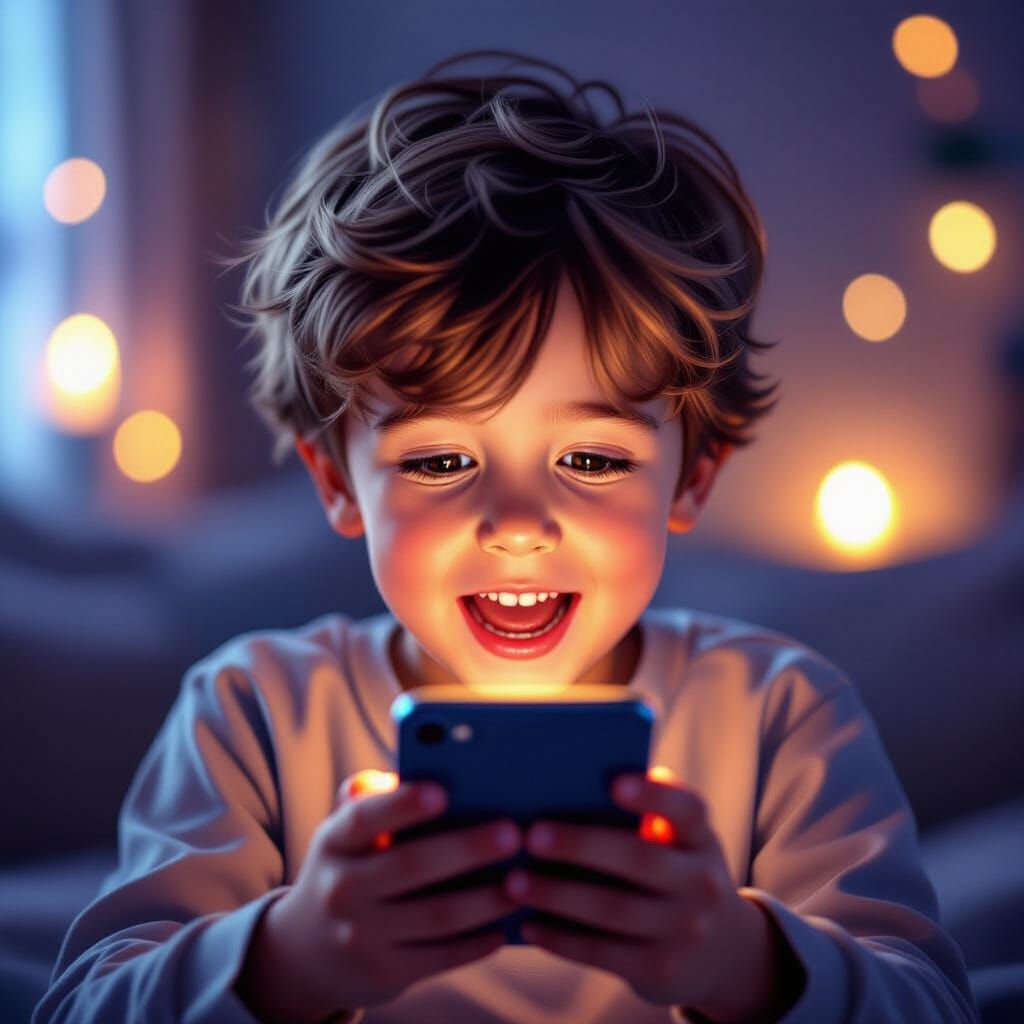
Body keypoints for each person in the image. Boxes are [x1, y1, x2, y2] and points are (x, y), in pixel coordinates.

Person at [34, 49, 979, 1023]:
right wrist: (290, 954)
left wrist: (744, 963)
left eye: (594, 460)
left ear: (691, 477)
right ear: (335, 479)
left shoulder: (783, 717)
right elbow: (89, 1006)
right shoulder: (253, 716)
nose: (520, 525)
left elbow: (928, 1006)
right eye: (441, 461)